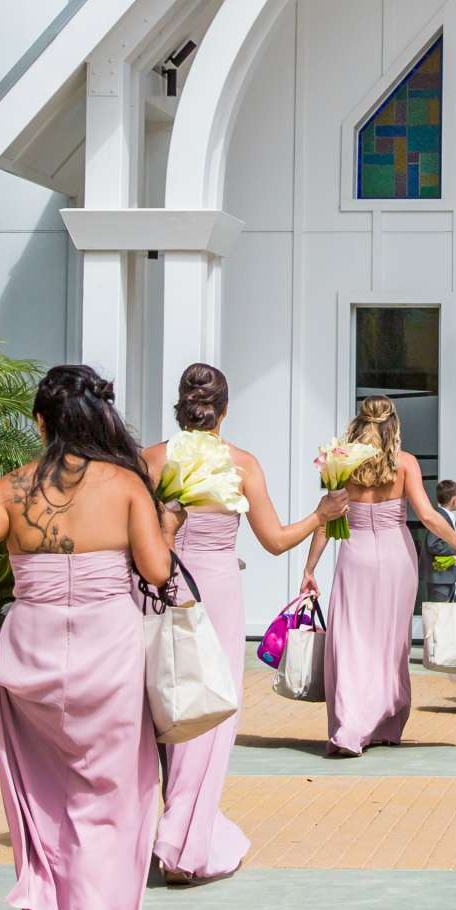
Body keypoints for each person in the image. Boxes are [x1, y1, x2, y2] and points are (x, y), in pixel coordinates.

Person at [0, 365, 173, 910]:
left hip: (33, 658)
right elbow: (156, 570)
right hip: (107, 657)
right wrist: (167, 525)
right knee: (111, 806)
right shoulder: (126, 484)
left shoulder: (13, 487)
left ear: (41, 422)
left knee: (47, 803)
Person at [141, 363, 346, 883]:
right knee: (209, 708)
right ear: (224, 410)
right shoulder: (242, 464)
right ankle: (185, 842)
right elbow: (275, 541)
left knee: (161, 704)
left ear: (179, 406)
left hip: (159, 588)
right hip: (217, 593)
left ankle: (165, 827)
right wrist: (321, 516)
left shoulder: (151, 460)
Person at [301, 397, 456, 756]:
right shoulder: (405, 463)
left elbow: (326, 519)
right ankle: (382, 723)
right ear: (392, 423)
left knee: (350, 641)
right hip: (396, 556)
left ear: (358, 421)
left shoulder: (340, 461)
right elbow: (427, 516)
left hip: (355, 555)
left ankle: (351, 726)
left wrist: (310, 568)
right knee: (388, 643)